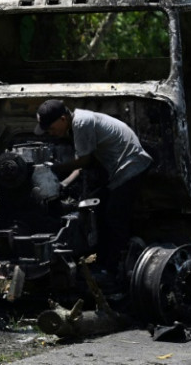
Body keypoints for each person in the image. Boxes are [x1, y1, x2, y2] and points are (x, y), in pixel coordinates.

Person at [34, 99, 153, 273]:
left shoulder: (82, 124)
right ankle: (104, 262)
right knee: (100, 214)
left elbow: (84, 161)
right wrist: (64, 183)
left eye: (51, 128)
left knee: (114, 217)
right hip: (123, 167)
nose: (50, 133)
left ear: (62, 119)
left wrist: (54, 169)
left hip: (130, 165)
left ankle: (117, 269)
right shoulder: (79, 123)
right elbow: (82, 164)